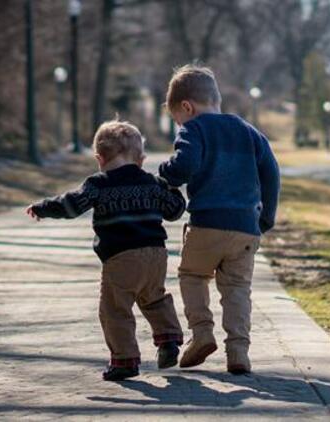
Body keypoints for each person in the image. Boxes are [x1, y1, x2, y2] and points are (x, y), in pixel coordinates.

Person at [26, 120, 185, 381]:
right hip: (156, 255)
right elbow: (175, 210)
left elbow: (71, 205)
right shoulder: (152, 183)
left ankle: (125, 360)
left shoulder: (98, 185)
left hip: (121, 257)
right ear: (141, 159)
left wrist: (43, 207)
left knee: (115, 309)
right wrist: (172, 188)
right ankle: (168, 340)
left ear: (99, 158)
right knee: (154, 298)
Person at [159, 64, 280, 374]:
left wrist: (166, 173)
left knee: (193, 276)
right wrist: (265, 217)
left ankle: (201, 334)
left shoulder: (194, 129)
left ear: (187, 107)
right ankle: (238, 352)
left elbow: (184, 166)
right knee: (238, 288)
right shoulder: (249, 131)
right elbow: (272, 173)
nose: (179, 125)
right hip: (245, 228)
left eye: (177, 120)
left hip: (207, 223)